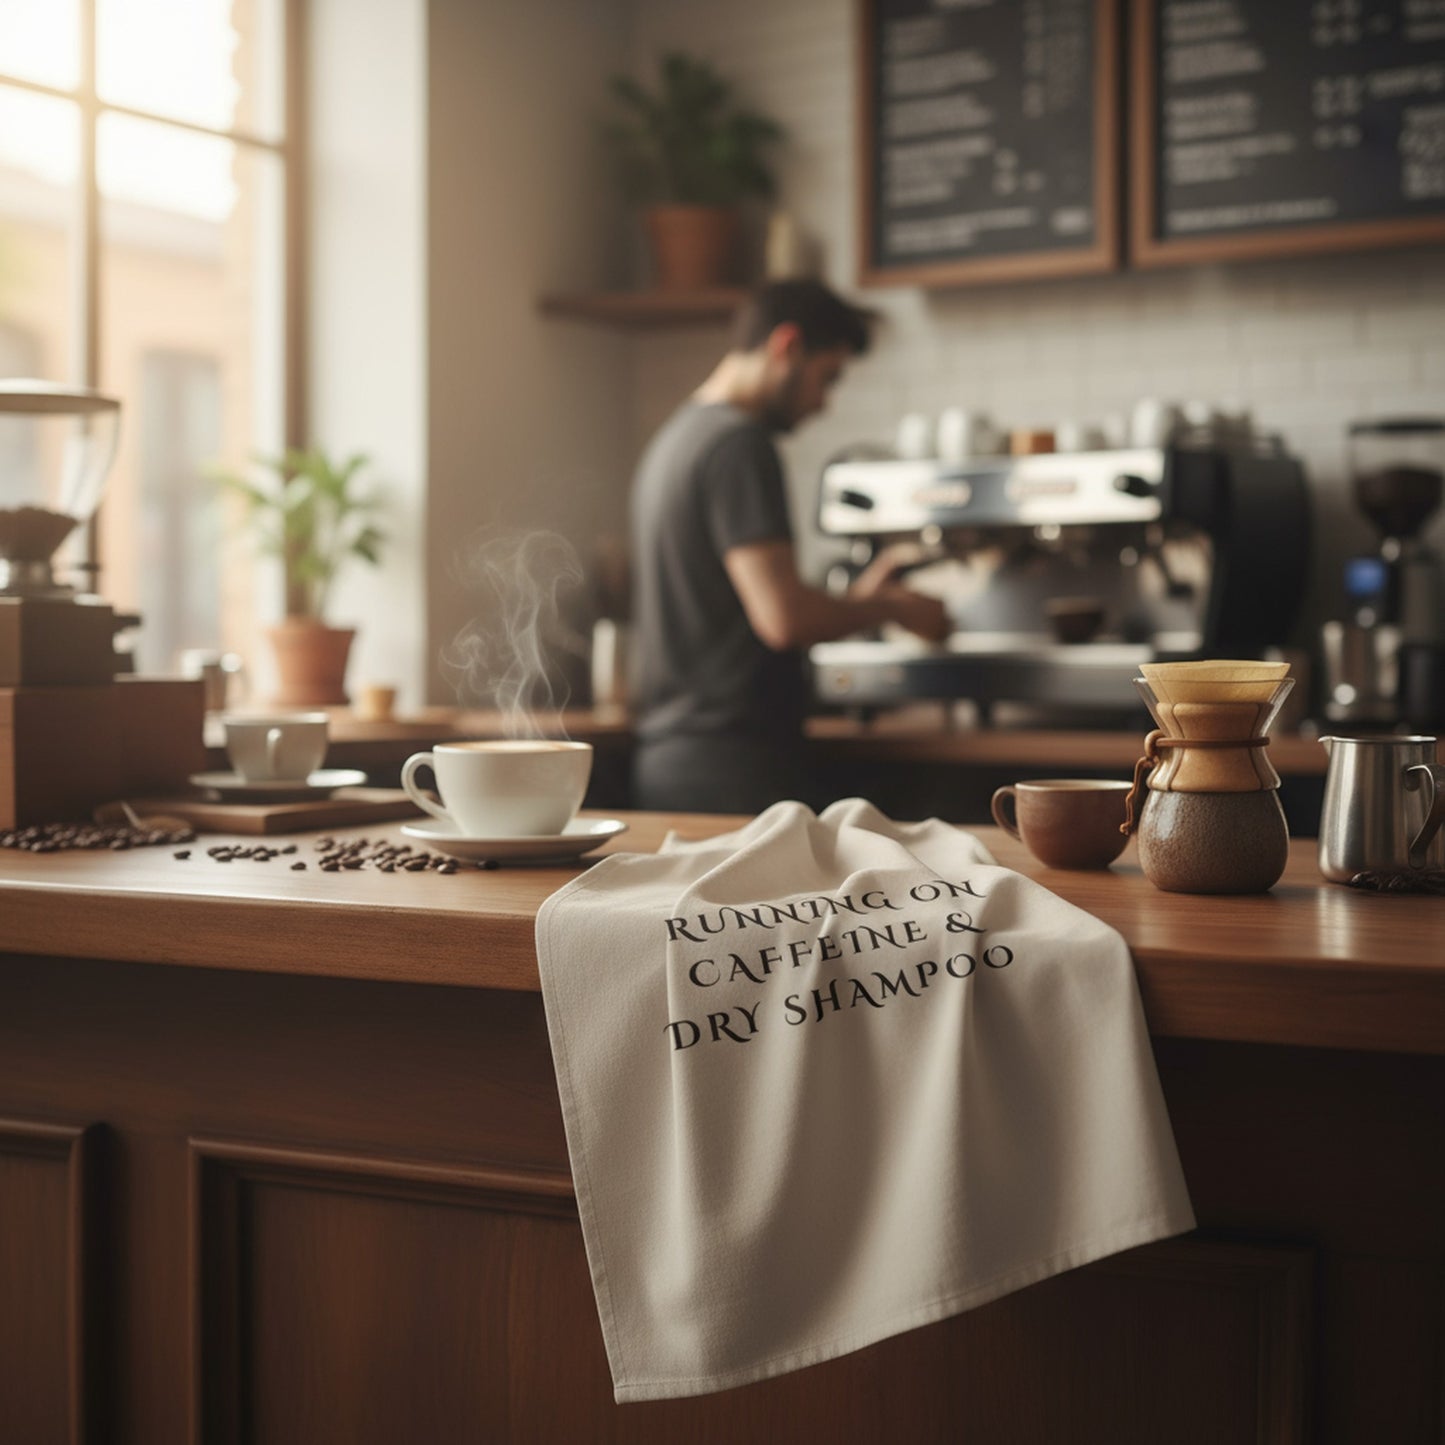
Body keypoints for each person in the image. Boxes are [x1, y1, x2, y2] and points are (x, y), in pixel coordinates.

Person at [628, 279, 950, 815]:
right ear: (787, 346)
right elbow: (783, 619)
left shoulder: (676, 439)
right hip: (733, 768)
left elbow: (740, 607)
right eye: (828, 378)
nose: (824, 404)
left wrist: (859, 602)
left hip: (674, 762)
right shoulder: (738, 444)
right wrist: (898, 608)